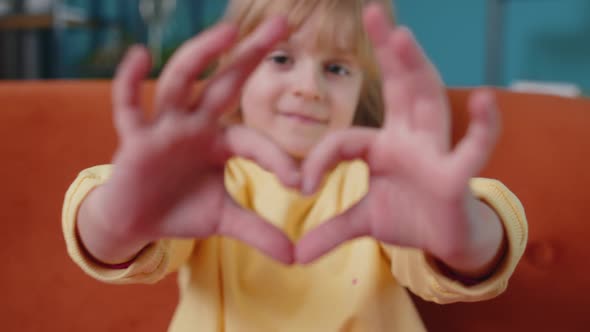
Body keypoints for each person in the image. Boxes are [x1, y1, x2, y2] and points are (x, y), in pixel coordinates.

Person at [62, 0, 528, 331]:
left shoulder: (380, 185)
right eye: (282, 58)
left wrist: (466, 233)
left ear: (363, 88)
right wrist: (113, 217)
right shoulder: (203, 178)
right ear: (234, 71)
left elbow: (454, 247)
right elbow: (113, 238)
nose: (309, 88)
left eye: (337, 68)